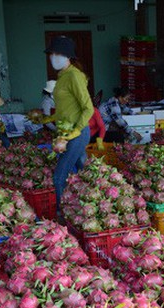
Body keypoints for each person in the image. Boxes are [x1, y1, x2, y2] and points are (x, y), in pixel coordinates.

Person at [44, 36, 93, 206]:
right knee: (86, 173)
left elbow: (89, 108)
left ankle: (62, 214)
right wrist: (48, 118)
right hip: (65, 133)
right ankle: (89, 203)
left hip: (76, 134)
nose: (53, 57)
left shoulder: (74, 76)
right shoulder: (62, 76)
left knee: (59, 177)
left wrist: (77, 130)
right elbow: (64, 109)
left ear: (67, 56)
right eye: (52, 53)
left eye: (57, 53)